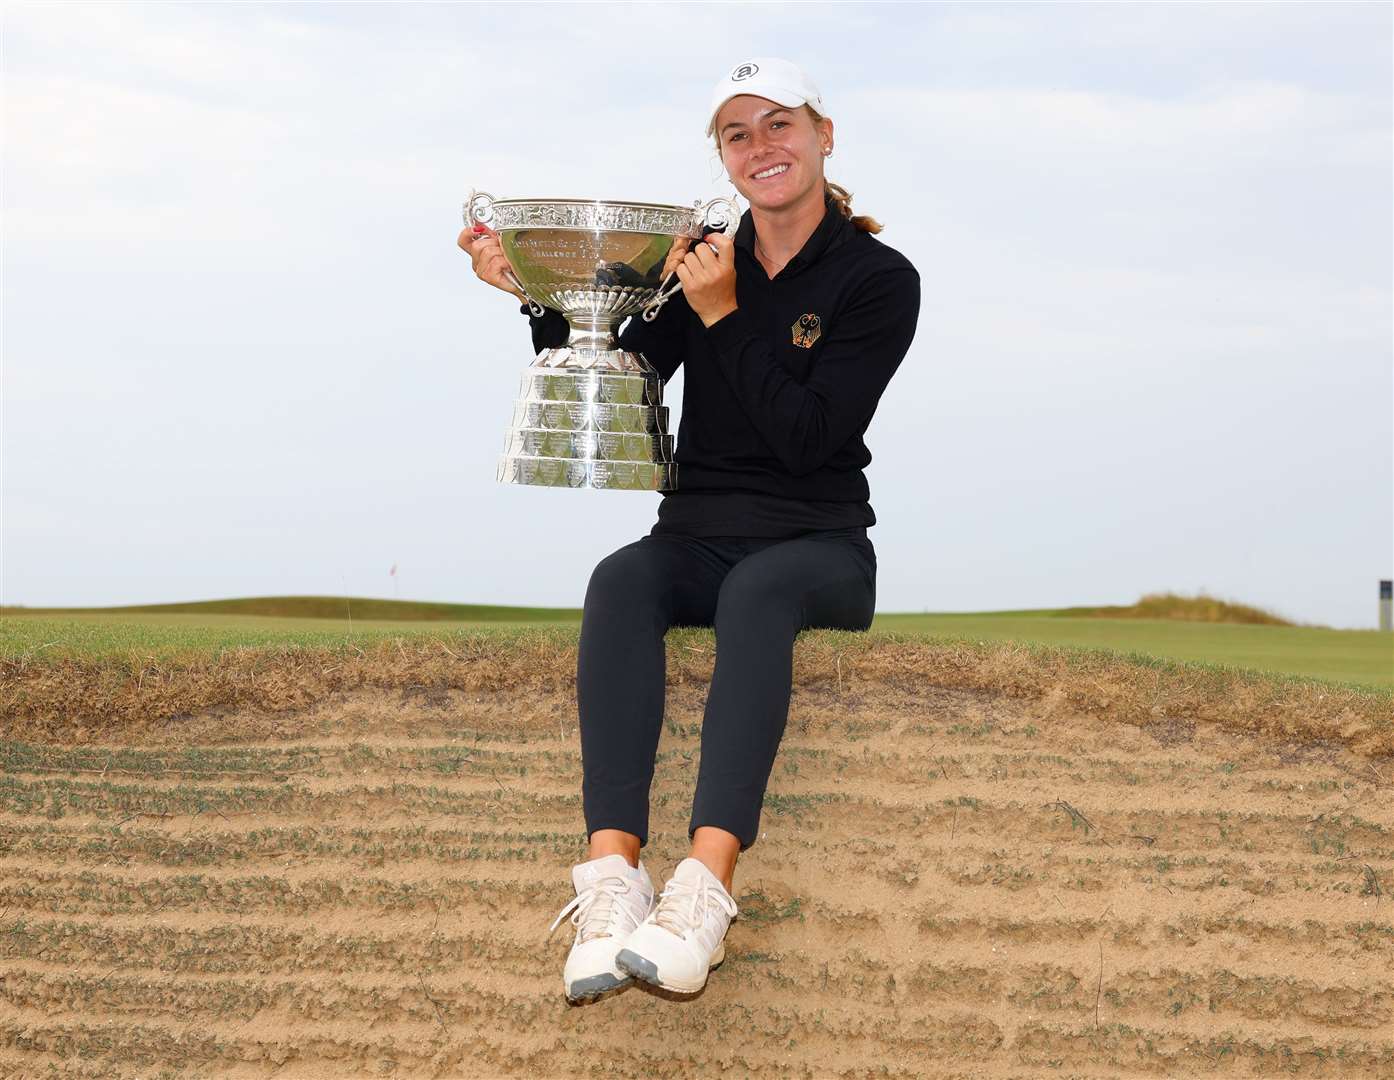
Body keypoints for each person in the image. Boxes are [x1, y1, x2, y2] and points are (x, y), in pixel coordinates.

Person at [458, 57, 921, 1002]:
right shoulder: (699, 254)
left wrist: (726, 314)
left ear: (824, 135)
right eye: (738, 134)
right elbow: (623, 375)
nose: (763, 147)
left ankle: (703, 891)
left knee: (758, 592)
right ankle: (614, 888)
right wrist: (541, 299)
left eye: (780, 124)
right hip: (696, 531)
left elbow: (808, 439)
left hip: (820, 543)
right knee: (620, 578)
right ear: (723, 156)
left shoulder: (878, 279)